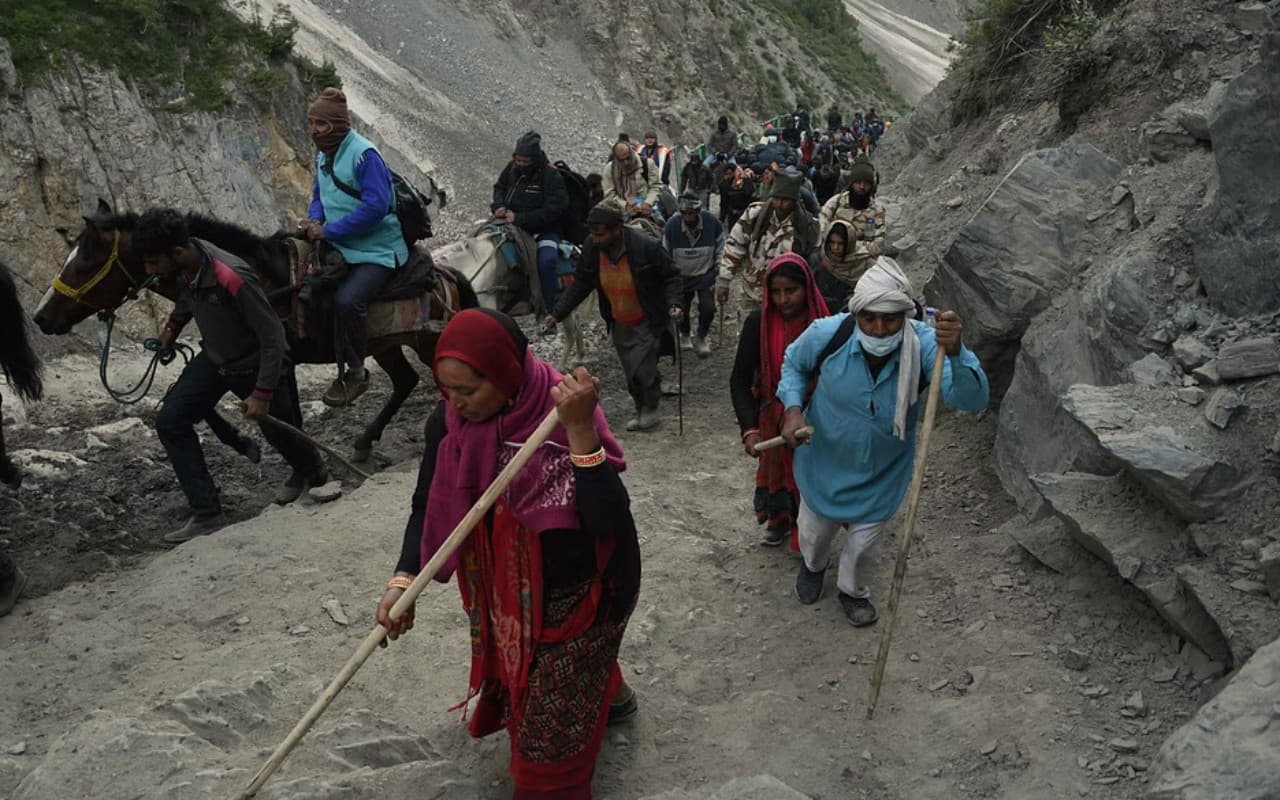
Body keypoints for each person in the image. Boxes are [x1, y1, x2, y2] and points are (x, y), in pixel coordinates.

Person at [378, 308, 640, 800]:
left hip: (586, 594)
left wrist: (581, 432)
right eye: (446, 388)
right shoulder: (449, 422)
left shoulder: (564, 413)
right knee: (546, 674)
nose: (454, 402)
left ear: (506, 375)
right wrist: (403, 581)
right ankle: (614, 697)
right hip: (506, 591)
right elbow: (425, 502)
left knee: (544, 758)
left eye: (468, 390)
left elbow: (607, 519)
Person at [778, 259, 989, 626]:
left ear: (905, 316)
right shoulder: (829, 333)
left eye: (890, 319)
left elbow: (972, 400)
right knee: (813, 534)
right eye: (869, 318)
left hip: (882, 471)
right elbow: (794, 364)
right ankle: (814, 567)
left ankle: (852, 591)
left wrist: (956, 352)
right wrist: (793, 409)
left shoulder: (925, 346)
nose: (878, 329)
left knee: (863, 548)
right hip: (824, 461)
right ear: (856, 313)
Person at [140, 208, 327, 544]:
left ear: (178, 252)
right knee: (170, 420)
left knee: (282, 435)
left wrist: (262, 393)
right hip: (215, 359)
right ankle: (208, 513)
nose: (149, 271)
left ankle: (314, 473)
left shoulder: (232, 275)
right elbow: (187, 297)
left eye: (153, 263)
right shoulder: (184, 266)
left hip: (254, 362)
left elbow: (273, 336)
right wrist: (171, 329)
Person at [299, 87, 409, 407]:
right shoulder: (324, 155)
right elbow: (319, 196)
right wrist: (313, 222)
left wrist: (330, 230)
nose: (314, 131)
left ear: (337, 125)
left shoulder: (365, 155)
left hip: (376, 249)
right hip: (339, 242)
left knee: (348, 300)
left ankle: (357, 371)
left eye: (321, 124)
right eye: (311, 123)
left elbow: (376, 208)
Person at [546, 202, 682, 432]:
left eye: (601, 234)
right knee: (631, 370)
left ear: (617, 229)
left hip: (647, 317)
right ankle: (642, 406)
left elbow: (672, 276)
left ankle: (650, 408)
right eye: (593, 234)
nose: (597, 238)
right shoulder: (592, 248)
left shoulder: (646, 247)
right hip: (618, 318)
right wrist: (558, 313)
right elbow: (582, 283)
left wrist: (675, 304)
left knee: (642, 368)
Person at [730, 253, 829, 547]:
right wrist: (749, 429)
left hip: (818, 417)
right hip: (773, 417)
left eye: (791, 291)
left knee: (813, 481)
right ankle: (781, 517)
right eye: (776, 292)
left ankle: (810, 537)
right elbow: (739, 380)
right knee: (779, 472)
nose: (783, 299)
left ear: (807, 288)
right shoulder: (758, 323)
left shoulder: (826, 325)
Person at [717, 166, 819, 316]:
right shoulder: (755, 215)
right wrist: (724, 280)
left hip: (784, 303)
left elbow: (813, 266)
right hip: (751, 294)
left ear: (794, 200)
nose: (779, 204)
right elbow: (734, 246)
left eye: (785, 200)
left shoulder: (807, 228)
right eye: (776, 198)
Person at [492, 131, 571, 312]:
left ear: (534, 159)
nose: (520, 165)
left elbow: (556, 209)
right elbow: (499, 187)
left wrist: (521, 218)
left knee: (546, 262)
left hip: (543, 230)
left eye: (524, 162)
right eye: (518, 160)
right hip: (509, 224)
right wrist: (498, 206)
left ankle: (548, 310)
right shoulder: (511, 168)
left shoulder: (552, 176)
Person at [662, 194, 724, 358]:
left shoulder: (712, 222)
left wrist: (719, 267)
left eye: (691, 213)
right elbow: (665, 252)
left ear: (698, 212)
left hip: (705, 273)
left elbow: (721, 245)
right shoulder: (672, 226)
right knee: (682, 308)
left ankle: (702, 336)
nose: (688, 217)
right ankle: (685, 333)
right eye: (684, 214)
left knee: (708, 308)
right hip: (681, 275)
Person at [818, 156, 885, 261]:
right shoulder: (837, 202)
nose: (862, 187)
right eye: (858, 182)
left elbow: (877, 246)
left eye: (866, 183)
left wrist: (848, 247)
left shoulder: (877, 211)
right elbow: (821, 224)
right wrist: (832, 242)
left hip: (858, 260)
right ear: (852, 183)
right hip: (832, 255)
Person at [809, 219, 871, 310]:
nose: (835, 247)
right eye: (832, 242)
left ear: (849, 243)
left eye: (840, 244)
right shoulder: (820, 257)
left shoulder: (862, 261)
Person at [603, 139, 659, 223]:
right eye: (621, 160)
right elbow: (609, 194)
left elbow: (655, 186)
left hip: (646, 211)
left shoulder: (648, 164)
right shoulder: (610, 170)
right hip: (620, 213)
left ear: (632, 152)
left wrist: (648, 203)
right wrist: (625, 206)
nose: (626, 162)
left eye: (628, 158)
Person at [718, 157, 756, 229]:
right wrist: (721, 219)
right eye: (726, 174)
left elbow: (750, 195)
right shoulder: (724, 185)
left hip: (746, 212)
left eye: (730, 173)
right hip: (732, 214)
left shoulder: (745, 181)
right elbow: (723, 202)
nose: (728, 176)